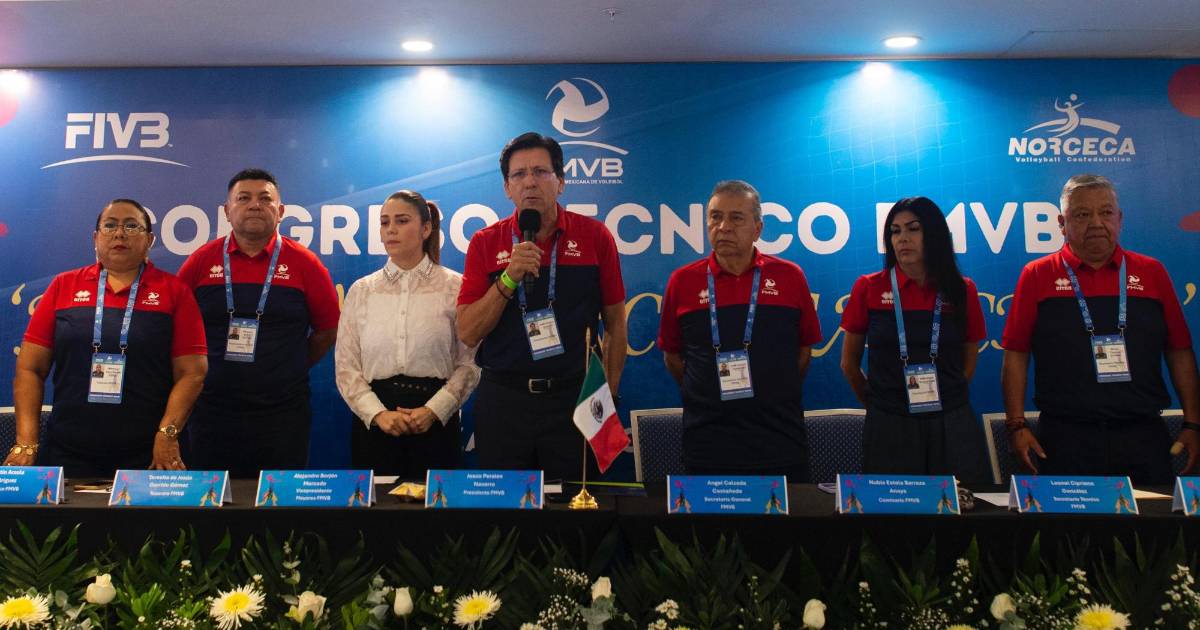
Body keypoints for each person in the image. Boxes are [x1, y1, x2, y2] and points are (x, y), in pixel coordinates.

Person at [1002, 174, 1200, 484]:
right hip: (1066, 437)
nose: (1096, 223)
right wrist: (1016, 425)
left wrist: (1193, 423)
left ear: (1119, 219)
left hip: (1142, 434)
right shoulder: (1037, 275)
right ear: (1062, 223)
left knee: (1152, 517)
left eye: (1106, 212)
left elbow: (1179, 351)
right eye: (1082, 214)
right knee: (1071, 518)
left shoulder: (1152, 272)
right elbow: (1016, 355)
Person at [456, 132, 627, 481]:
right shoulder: (486, 242)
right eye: (518, 174)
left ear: (560, 182)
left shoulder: (595, 236)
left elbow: (616, 322)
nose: (529, 182)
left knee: (574, 506)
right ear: (507, 188)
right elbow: (468, 332)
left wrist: (607, 394)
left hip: (574, 398)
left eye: (540, 172)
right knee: (505, 509)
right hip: (504, 400)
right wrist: (509, 278)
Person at [5, 199, 207, 477]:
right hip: (68, 449)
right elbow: (30, 368)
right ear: (95, 238)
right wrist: (26, 443)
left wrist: (167, 433)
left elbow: (193, 373)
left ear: (150, 240)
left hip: (150, 453)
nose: (119, 233)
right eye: (110, 226)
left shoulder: (175, 292)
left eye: (132, 226)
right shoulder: (63, 286)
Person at [177, 169, 340, 477]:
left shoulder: (305, 263)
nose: (254, 205)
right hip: (211, 411)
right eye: (243, 198)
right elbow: (178, 331)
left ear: (280, 211)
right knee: (210, 502)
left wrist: (289, 366)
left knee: (277, 503)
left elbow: (327, 330)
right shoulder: (201, 261)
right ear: (227, 211)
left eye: (265, 199)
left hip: (282, 414)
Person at [658, 180, 821, 478]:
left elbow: (803, 353)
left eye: (736, 218)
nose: (724, 227)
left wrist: (773, 392)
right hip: (707, 444)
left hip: (779, 441)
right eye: (715, 217)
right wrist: (706, 392)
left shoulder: (790, 276)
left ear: (757, 229)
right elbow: (672, 357)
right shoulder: (682, 281)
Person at [840, 196, 991, 482]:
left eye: (913, 228)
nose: (902, 239)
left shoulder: (963, 290)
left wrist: (947, 398)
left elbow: (969, 358)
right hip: (890, 424)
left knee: (959, 505)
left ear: (934, 234)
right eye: (895, 231)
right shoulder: (869, 287)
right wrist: (881, 405)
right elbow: (849, 364)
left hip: (951, 423)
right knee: (894, 506)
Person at [335, 191, 479, 478]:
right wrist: (378, 414)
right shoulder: (362, 290)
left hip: (435, 422)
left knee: (435, 506)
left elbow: (470, 362)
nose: (391, 229)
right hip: (375, 423)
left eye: (401, 221)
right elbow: (346, 366)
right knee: (376, 506)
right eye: (384, 222)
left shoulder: (455, 287)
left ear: (426, 229)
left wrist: (435, 410)